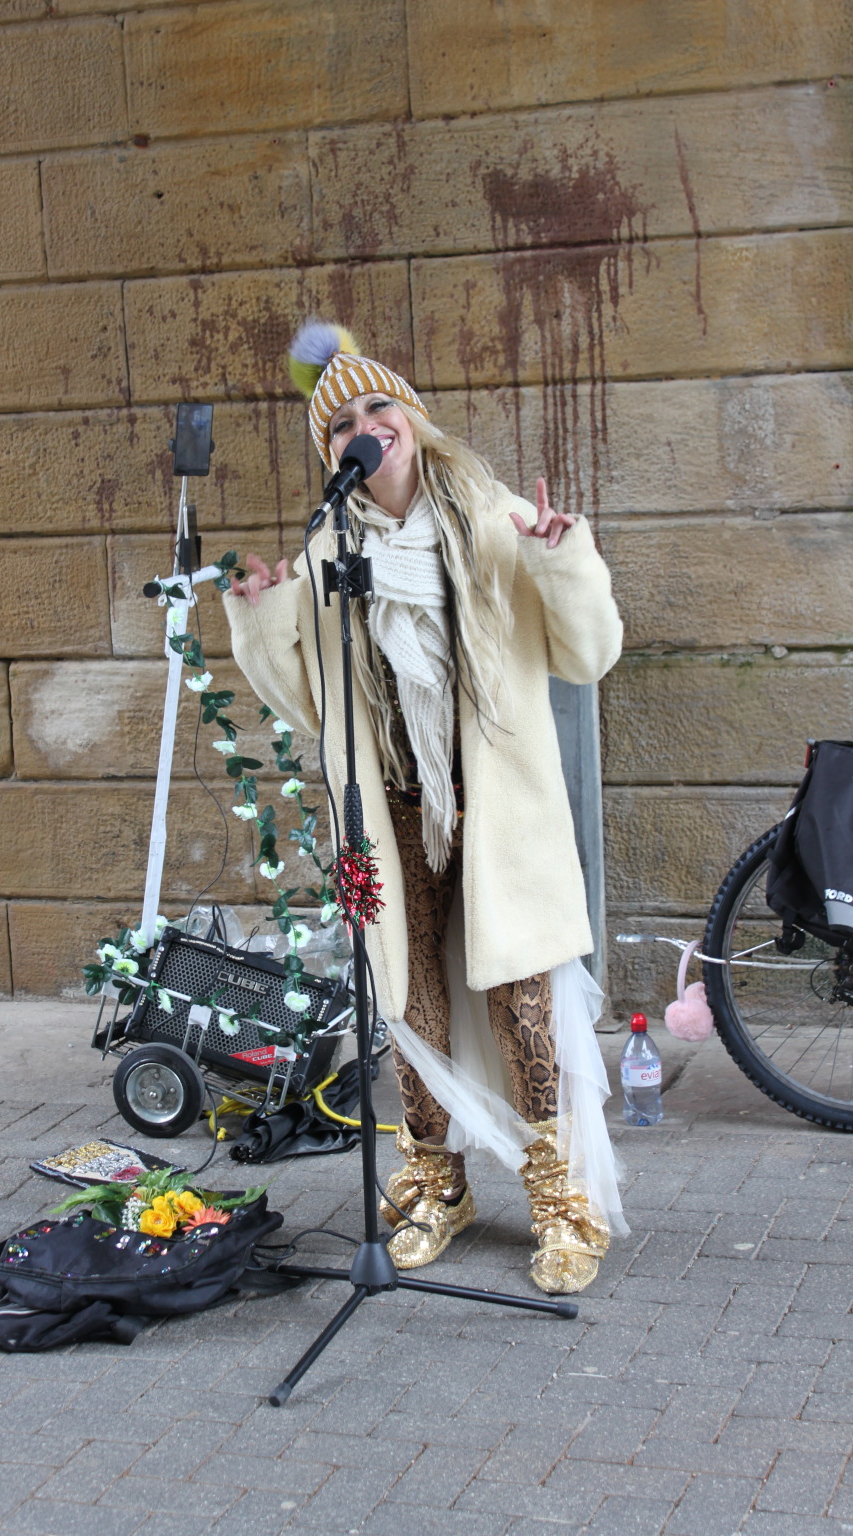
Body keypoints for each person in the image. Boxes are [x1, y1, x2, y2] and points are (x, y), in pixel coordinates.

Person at [224, 321, 626, 1293]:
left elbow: (590, 653)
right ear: (330, 456)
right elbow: (309, 706)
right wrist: (262, 616)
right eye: (341, 426)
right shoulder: (331, 550)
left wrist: (561, 559)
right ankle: (434, 1179)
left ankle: (561, 1194)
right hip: (390, 807)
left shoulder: (490, 519)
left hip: (496, 812)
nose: (364, 428)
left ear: (410, 417)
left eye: (376, 407)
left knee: (520, 995)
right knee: (409, 1003)